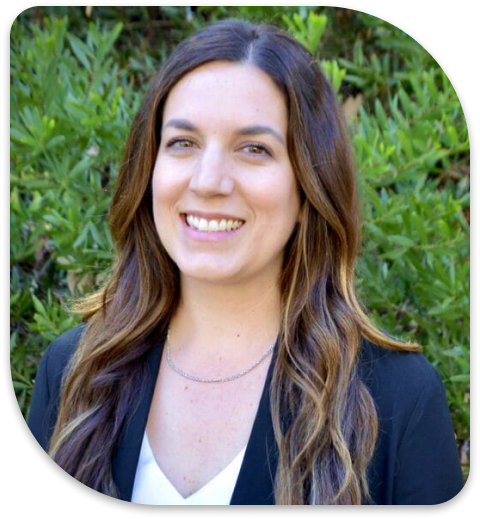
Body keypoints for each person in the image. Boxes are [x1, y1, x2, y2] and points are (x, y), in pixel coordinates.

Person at [27, 18, 464, 505]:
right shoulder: (74, 370)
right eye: (183, 143)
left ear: (308, 191)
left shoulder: (397, 400)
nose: (209, 180)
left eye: (254, 149)